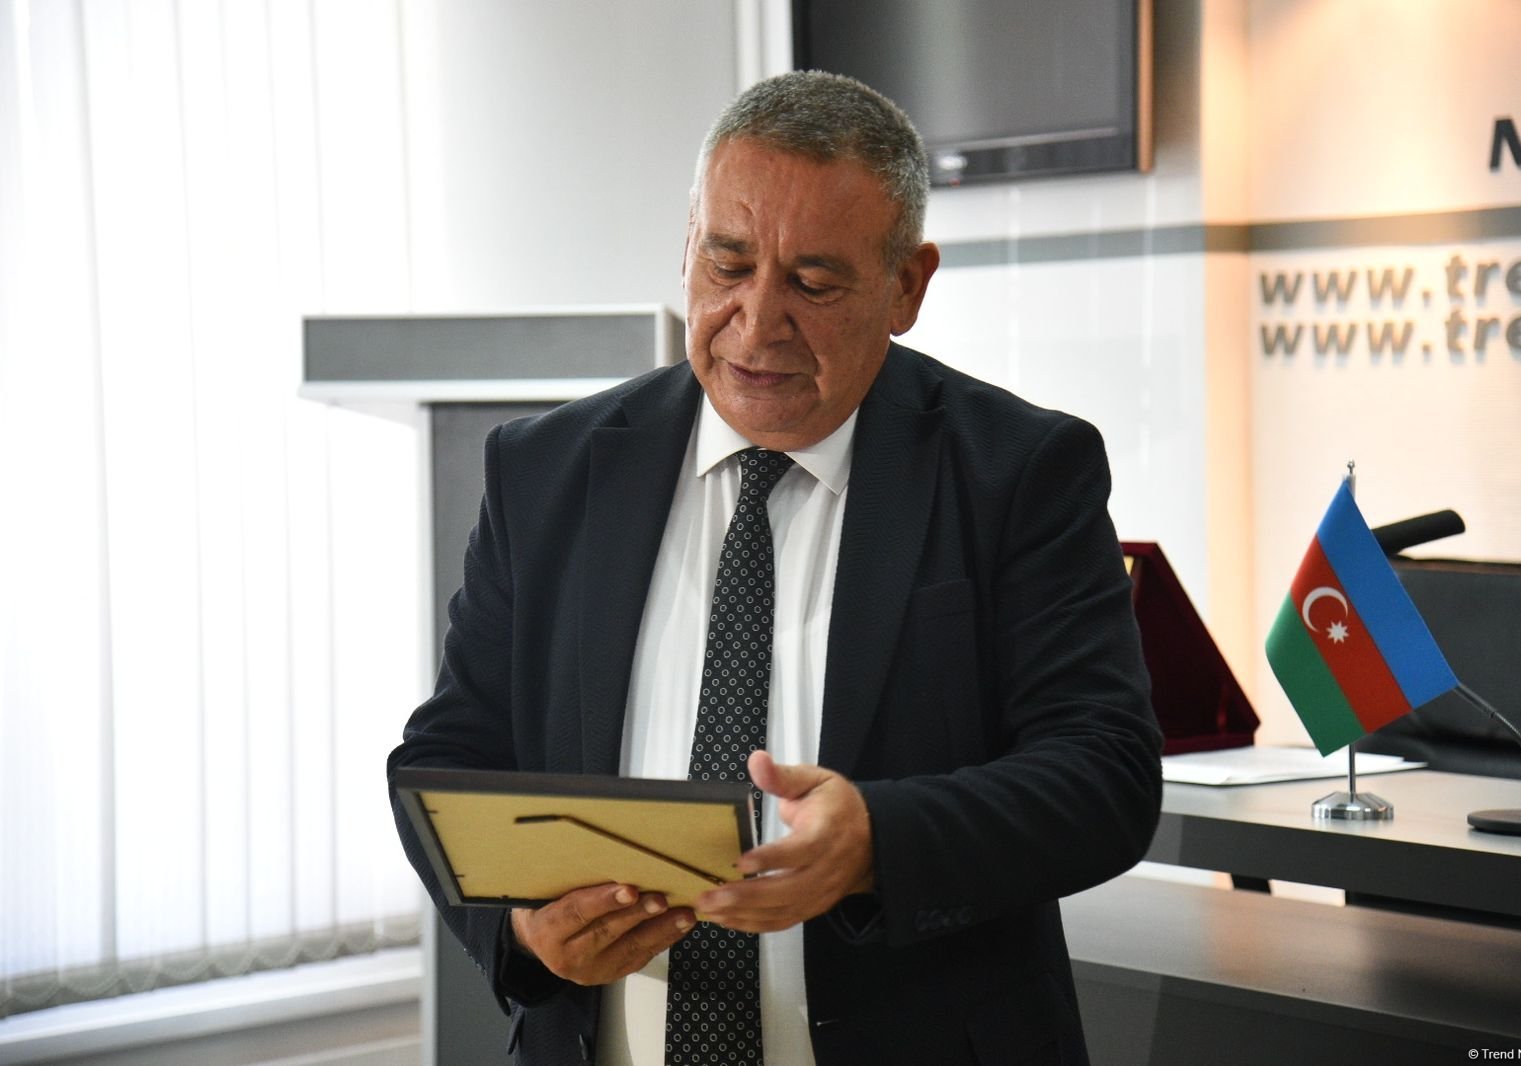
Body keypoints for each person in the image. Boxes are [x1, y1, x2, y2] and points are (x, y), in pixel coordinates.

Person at [389, 70, 1163, 1066]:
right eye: (728, 264)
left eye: (812, 283)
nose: (756, 323)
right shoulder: (548, 470)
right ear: (687, 248)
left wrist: (876, 841)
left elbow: (1104, 775)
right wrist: (521, 932)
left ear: (907, 286)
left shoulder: (1018, 472)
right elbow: (447, 756)